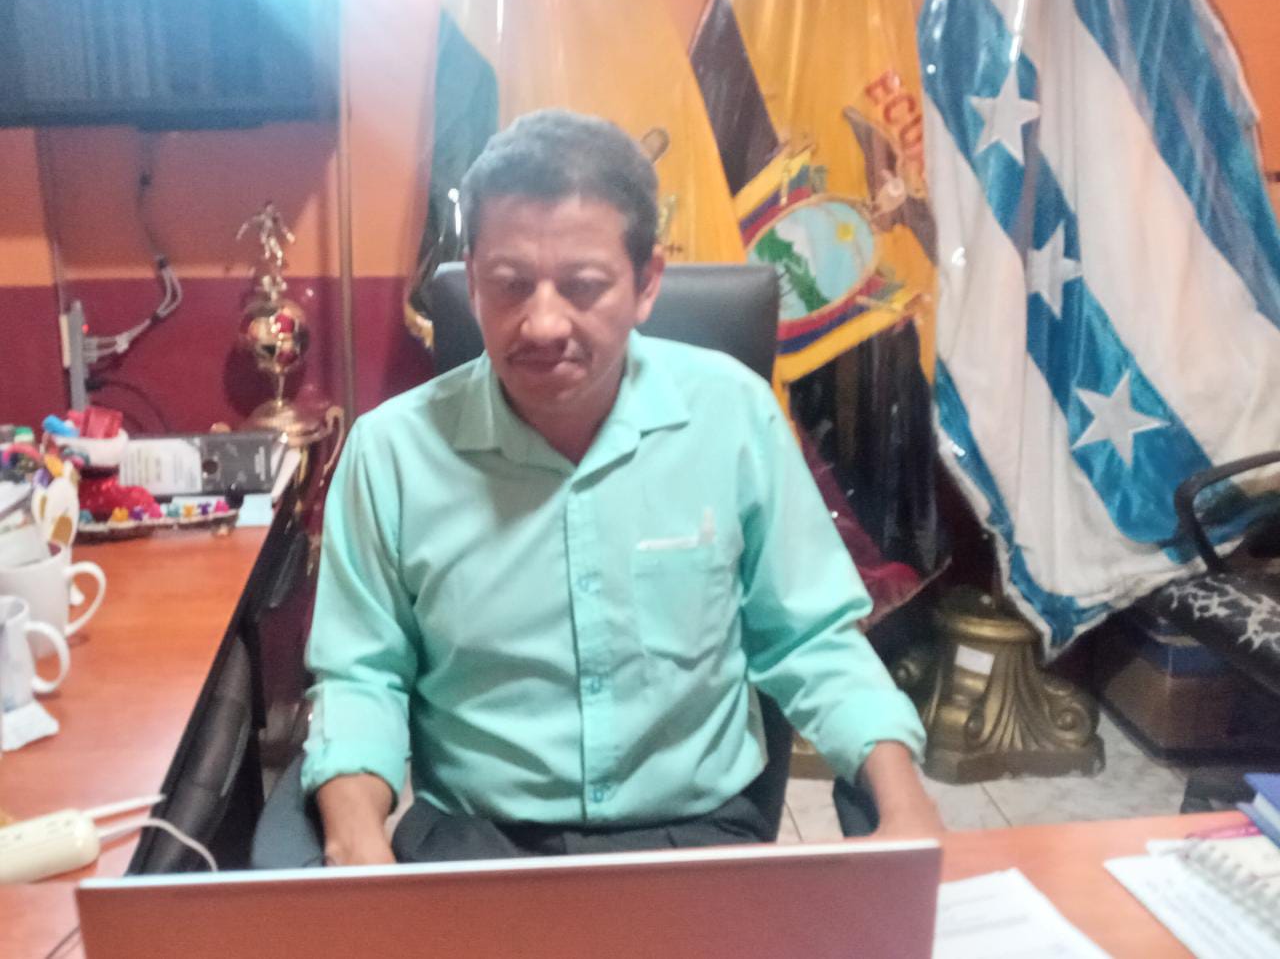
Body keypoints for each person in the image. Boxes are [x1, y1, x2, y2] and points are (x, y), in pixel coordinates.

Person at [303, 109, 941, 866]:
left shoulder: (732, 415)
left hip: (694, 837)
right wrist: (356, 843)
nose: (543, 324)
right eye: (509, 286)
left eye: (583, 287)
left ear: (646, 284)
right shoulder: (391, 453)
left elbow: (811, 638)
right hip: (480, 842)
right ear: (472, 283)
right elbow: (360, 676)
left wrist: (903, 804)